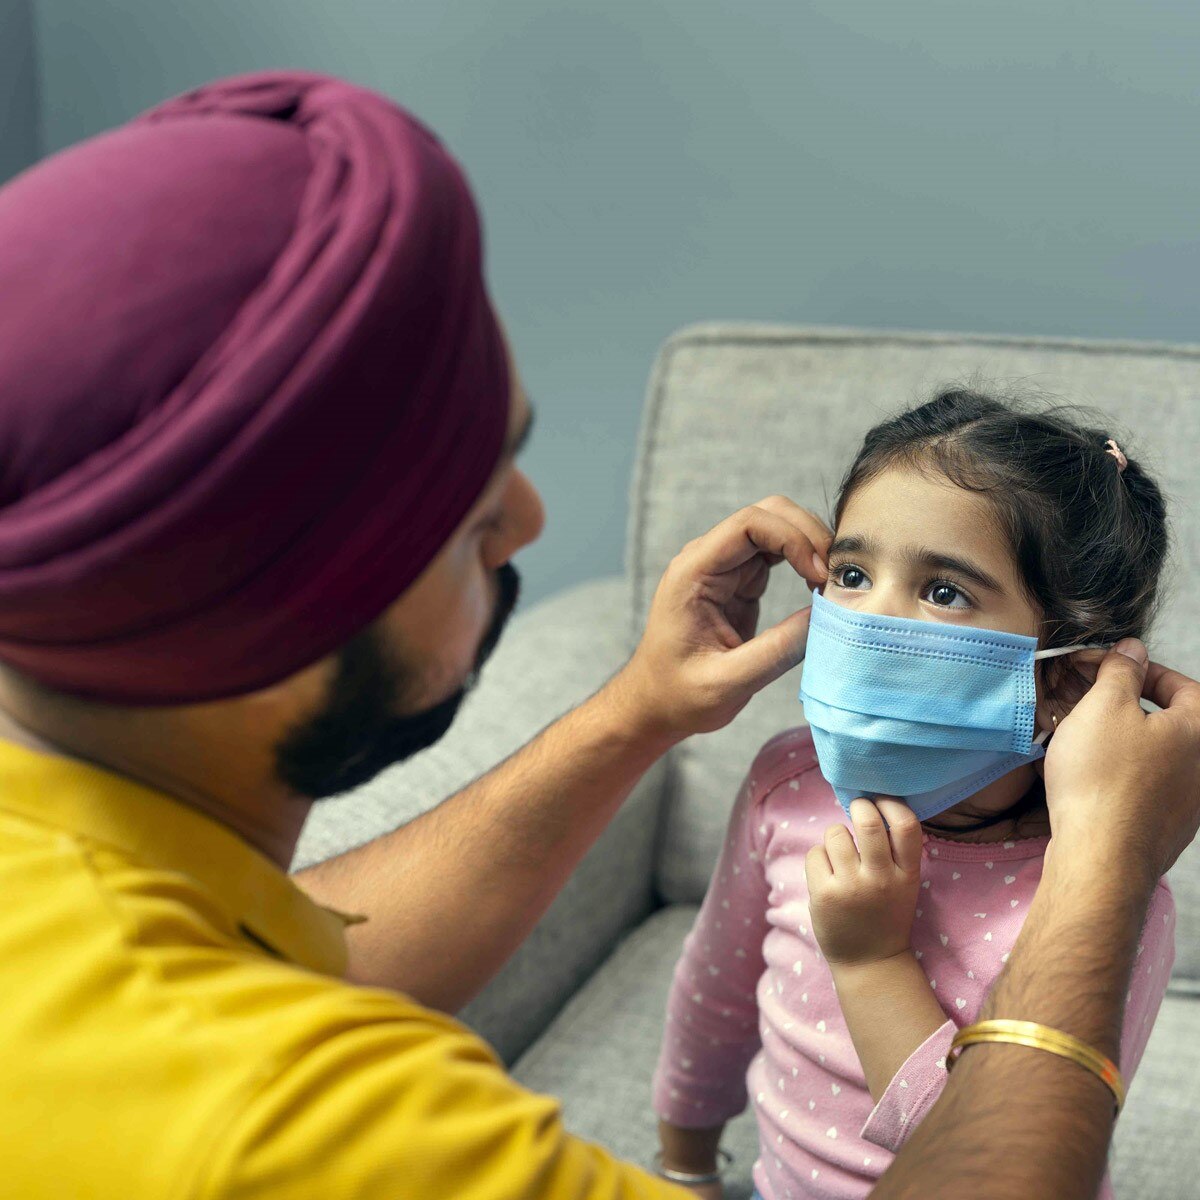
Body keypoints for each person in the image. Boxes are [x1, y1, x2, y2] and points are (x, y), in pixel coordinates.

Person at [0, 68, 1194, 1200]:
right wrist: (1109, 859)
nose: (529, 518)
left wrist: (641, 706)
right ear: (262, 597)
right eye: (467, 506)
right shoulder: (314, 1131)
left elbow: (279, 957)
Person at [652, 391, 1176, 1199]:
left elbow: (996, 1148)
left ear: (1067, 677)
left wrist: (871, 963)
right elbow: (713, 997)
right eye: (853, 574)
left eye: (942, 592)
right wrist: (684, 1169)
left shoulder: (1103, 888)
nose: (867, 620)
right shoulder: (787, 791)